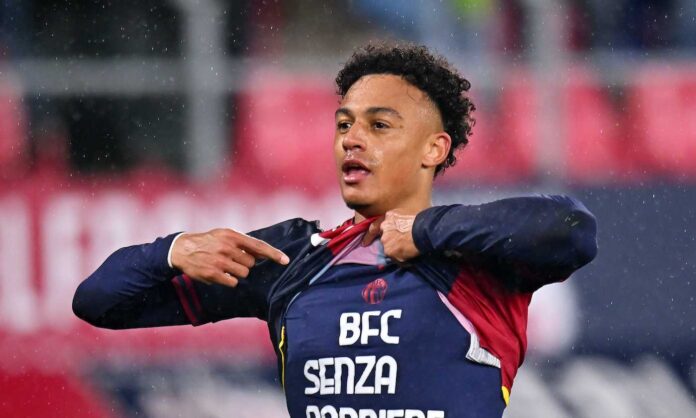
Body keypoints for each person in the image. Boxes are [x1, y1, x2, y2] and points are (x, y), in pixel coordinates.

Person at [73, 42, 597, 418]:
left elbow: (572, 229)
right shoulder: (291, 258)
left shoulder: (477, 261)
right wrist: (170, 251)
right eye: (344, 124)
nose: (352, 139)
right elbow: (99, 303)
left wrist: (424, 230)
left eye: (379, 125)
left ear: (434, 149)